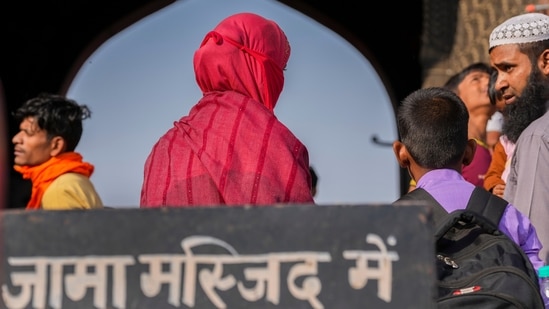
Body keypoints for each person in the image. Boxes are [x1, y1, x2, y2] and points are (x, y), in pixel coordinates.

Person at [140, 12, 314, 207]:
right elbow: (303, 231)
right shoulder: (276, 145)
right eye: (280, 69)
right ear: (259, 66)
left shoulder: (165, 148)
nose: (280, 80)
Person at [392, 87, 546, 305]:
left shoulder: (387, 224)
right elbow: (542, 283)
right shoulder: (509, 216)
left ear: (401, 153)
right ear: (470, 151)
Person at [489, 12, 549, 263]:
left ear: (546, 62)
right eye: (497, 71)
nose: (499, 83)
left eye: (508, 68)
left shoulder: (538, 135)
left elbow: (536, 248)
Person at [12, 93, 103, 210]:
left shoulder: (59, 191)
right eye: (20, 131)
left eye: (28, 133)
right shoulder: (73, 181)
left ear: (56, 146)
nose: (15, 139)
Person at [442, 62, 495, 187]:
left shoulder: (500, 150)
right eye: (476, 79)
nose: (488, 82)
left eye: (491, 79)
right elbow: (419, 198)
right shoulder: (447, 149)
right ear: (455, 97)